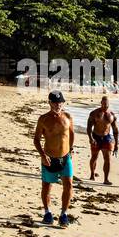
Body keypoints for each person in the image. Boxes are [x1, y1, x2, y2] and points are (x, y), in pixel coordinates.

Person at [33, 89, 75, 226]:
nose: (58, 105)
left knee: (68, 185)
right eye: (55, 102)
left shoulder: (68, 117)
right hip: (49, 158)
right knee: (47, 186)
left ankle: (64, 214)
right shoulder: (43, 119)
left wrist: (71, 149)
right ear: (50, 103)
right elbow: (36, 140)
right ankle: (47, 213)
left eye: (60, 102)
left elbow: (72, 134)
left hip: (65, 157)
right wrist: (43, 155)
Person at [86, 95, 119, 183]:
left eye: (107, 104)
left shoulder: (112, 115)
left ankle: (106, 179)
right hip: (96, 137)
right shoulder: (94, 113)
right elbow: (89, 127)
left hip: (106, 137)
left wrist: (116, 144)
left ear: (109, 104)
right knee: (94, 157)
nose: (105, 106)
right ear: (101, 103)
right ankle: (92, 174)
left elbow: (115, 130)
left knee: (107, 158)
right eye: (103, 104)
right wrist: (90, 138)